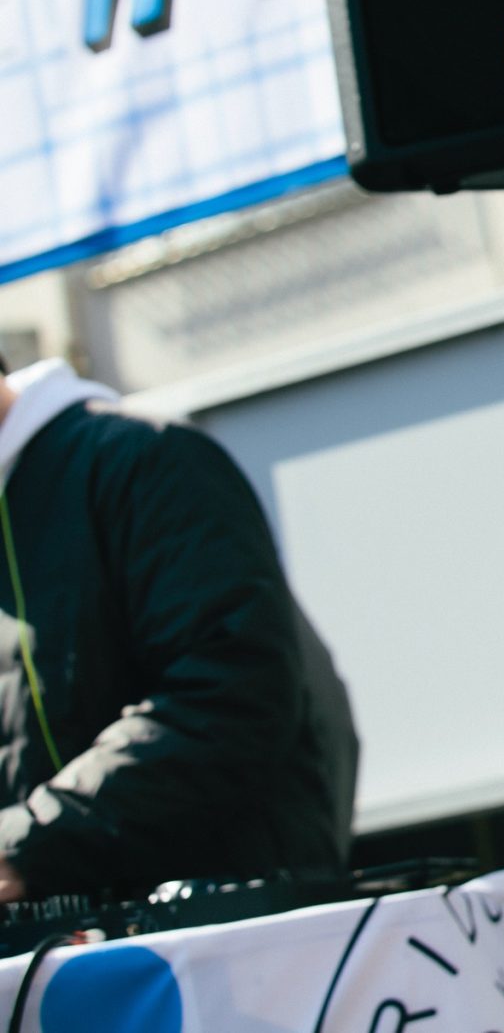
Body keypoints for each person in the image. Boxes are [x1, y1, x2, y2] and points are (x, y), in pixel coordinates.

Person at [0, 353, 357, 898]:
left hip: (225, 920)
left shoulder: (142, 458)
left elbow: (229, 693)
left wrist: (26, 843)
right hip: (78, 939)